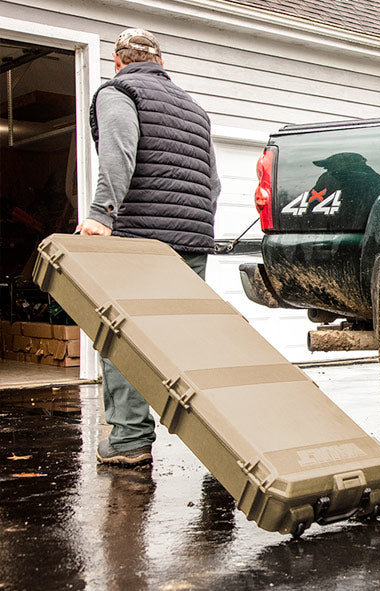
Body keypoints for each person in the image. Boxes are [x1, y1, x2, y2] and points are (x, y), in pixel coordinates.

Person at [77, 28, 221, 466]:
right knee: (186, 341)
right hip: (192, 239)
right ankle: (224, 441)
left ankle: (128, 442)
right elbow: (213, 183)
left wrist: (102, 213)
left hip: (140, 239)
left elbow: (119, 150)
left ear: (118, 61)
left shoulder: (119, 90)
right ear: (161, 63)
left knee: (123, 338)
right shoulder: (194, 109)